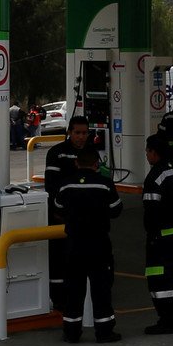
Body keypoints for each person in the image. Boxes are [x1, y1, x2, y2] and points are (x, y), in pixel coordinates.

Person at [51, 146, 122, 343]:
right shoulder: (105, 184)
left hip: (74, 244)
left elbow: (58, 210)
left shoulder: (65, 185)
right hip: (99, 243)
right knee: (101, 288)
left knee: (73, 289)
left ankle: (71, 332)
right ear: (96, 164)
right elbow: (116, 210)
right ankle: (104, 331)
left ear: (76, 163)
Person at [43, 116, 99, 315]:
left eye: (85, 133)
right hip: (61, 216)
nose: (81, 137)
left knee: (82, 258)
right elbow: (51, 186)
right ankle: (59, 298)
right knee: (59, 258)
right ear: (69, 133)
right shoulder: (57, 153)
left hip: (85, 218)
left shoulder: (91, 152)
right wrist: (58, 212)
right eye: (77, 133)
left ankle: (83, 297)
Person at [141, 136, 173, 335]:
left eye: (147, 151)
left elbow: (151, 210)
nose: (146, 155)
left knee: (159, 277)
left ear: (154, 152)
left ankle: (167, 319)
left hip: (161, 237)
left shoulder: (155, 177)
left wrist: (152, 234)